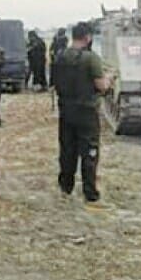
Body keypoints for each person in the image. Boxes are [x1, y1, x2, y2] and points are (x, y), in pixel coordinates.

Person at [52, 22, 110, 203]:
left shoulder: (61, 56)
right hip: (87, 111)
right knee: (89, 151)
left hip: (66, 110)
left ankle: (66, 185)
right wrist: (110, 78)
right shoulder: (91, 58)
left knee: (67, 149)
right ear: (88, 37)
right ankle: (90, 191)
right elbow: (101, 86)